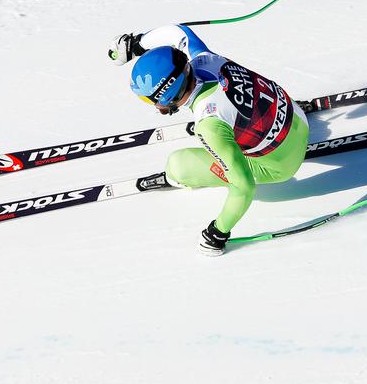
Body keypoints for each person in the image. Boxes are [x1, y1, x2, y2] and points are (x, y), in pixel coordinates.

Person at [108, 25, 309, 256]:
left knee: (178, 165)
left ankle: (177, 179)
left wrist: (217, 234)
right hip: (297, 116)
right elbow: (178, 32)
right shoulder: (204, 59)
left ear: (167, 95)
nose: (153, 106)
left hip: (281, 166)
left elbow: (243, 187)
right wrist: (137, 43)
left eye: (150, 100)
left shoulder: (209, 124)